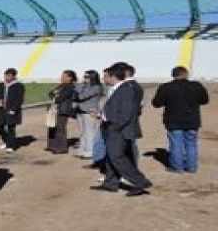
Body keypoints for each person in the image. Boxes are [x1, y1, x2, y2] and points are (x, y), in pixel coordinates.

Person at [90, 63, 153, 197]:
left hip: (118, 128)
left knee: (117, 156)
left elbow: (127, 113)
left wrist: (115, 126)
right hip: (114, 126)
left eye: (106, 75)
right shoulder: (121, 88)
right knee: (111, 157)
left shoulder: (126, 89)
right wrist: (103, 115)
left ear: (113, 76)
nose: (104, 78)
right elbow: (117, 109)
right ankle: (110, 183)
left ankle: (140, 181)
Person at [152, 66, 210, 173]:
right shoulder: (196, 86)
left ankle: (177, 167)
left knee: (176, 144)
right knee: (191, 144)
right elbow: (205, 100)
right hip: (192, 120)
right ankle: (191, 167)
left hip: (173, 120)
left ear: (173, 75)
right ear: (186, 74)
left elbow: (156, 103)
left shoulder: (166, 87)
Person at [0, 68, 25, 152]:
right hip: (0, 110)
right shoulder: (0, 85)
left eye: (9, 76)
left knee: (11, 128)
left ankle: (11, 146)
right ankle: (6, 141)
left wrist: (14, 109)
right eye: (6, 75)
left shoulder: (19, 86)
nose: (7, 77)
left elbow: (19, 99)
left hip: (12, 110)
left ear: (14, 76)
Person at [74, 70, 104, 159]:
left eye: (87, 77)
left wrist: (78, 92)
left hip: (89, 111)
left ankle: (90, 151)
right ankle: (83, 149)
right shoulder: (85, 85)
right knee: (83, 131)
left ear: (93, 77)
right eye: (84, 76)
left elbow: (81, 96)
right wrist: (82, 84)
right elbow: (75, 90)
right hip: (80, 110)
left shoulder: (96, 87)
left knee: (90, 132)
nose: (85, 78)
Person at [46, 70, 77, 154]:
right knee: (51, 127)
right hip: (54, 109)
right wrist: (55, 95)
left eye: (64, 76)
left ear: (70, 78)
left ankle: (61, 148)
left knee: (60, 128)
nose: (62, 78)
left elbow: (60, 98)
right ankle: (51, 145)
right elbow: (50, 93)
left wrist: (56, 95)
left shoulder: (70, 87)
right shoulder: (61, 86)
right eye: (62, 76)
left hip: (63, 110)